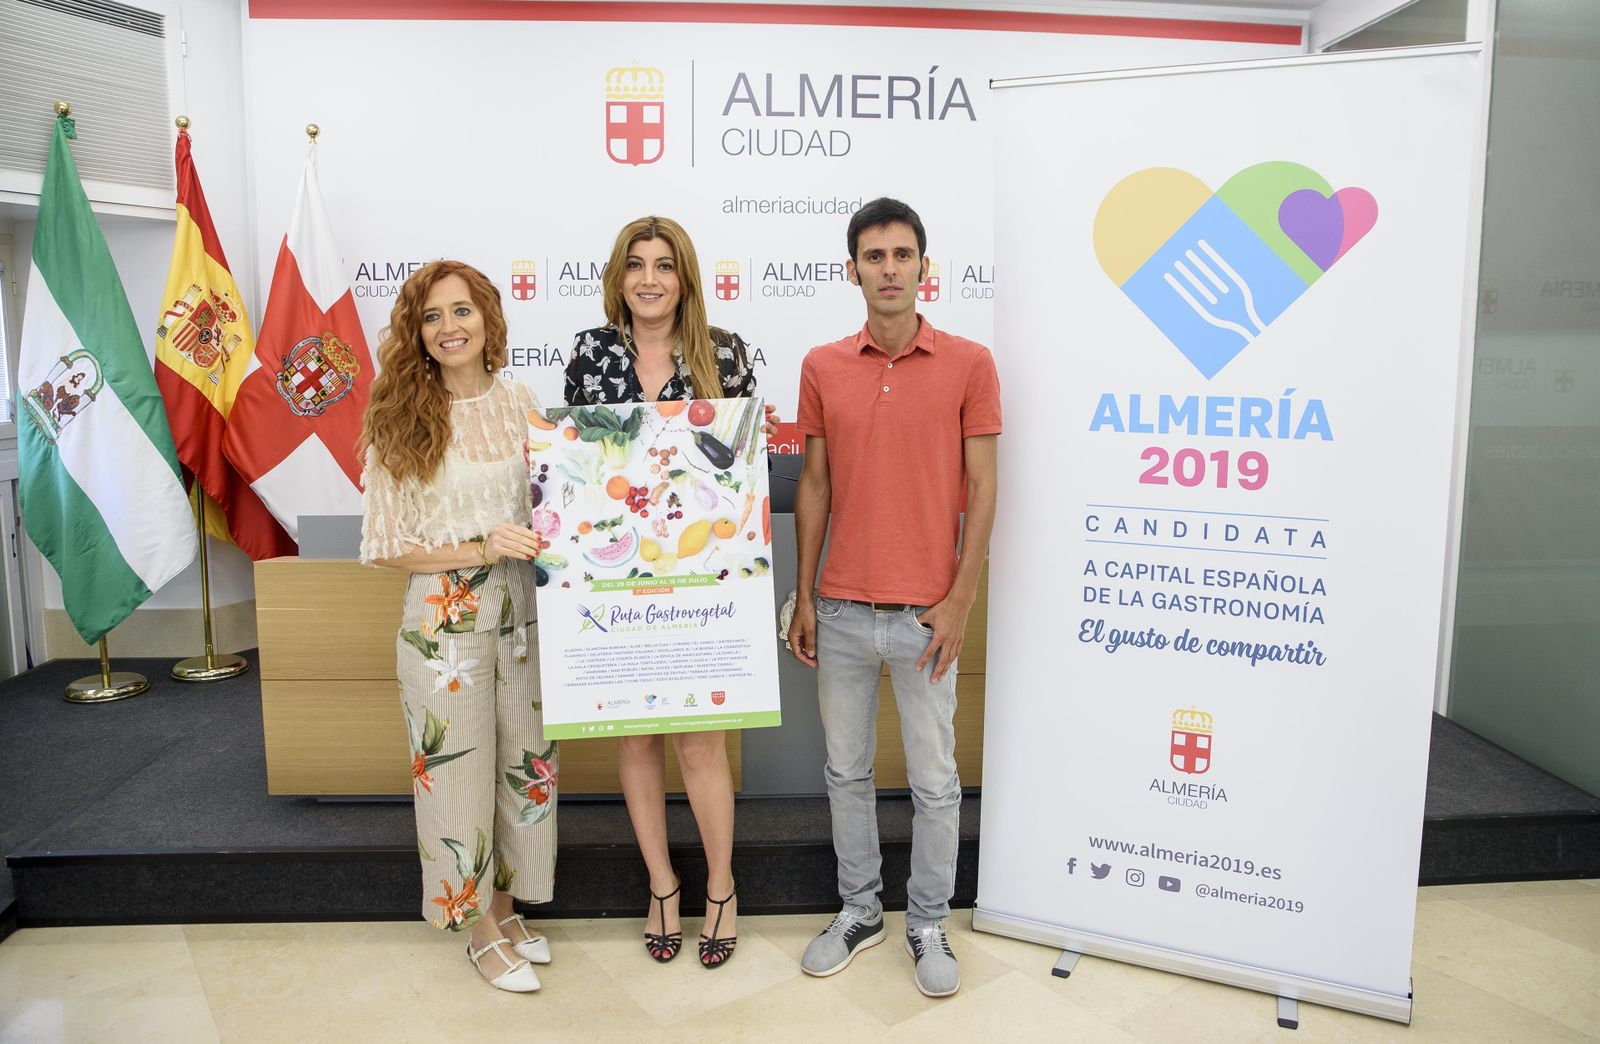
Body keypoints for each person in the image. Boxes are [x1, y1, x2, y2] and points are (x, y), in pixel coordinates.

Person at [789, 198, 1001, 998]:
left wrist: (959, 600)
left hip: (926, 617)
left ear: (922, 266)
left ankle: (927, 920)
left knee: (936, 781)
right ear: (852, 269)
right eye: (873, 256)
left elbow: (982, 490)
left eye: (901, 255)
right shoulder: (821, 365)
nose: (888, 269)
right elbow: (814, 485)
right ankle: (859, 910)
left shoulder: (969, 363)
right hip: (839, 608)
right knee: (844, 772)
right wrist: (804, 596)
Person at [564, 215, 773, 969]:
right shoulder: (591, 353)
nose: (649, 279)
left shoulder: (726, 353)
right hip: (616, 578)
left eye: (664, 265)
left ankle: (720, 886)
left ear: (685, 277)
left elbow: (741, 471)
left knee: (699, 738)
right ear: (618, 277)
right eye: (635, 265)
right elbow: (576, 468)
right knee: (637, 737)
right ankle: (661, 883)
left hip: (700, 576)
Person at [360, 260, 557, 994]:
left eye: (461, 311)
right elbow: (386, 547)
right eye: (432, 316)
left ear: (488, 319)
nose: (449, 327)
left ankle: (505, 912)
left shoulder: (521, 401)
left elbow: (553, 504)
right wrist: (480, 548)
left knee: (521, 769)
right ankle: (477, 934)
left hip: (523, 618)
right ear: (417, 332)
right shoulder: (399, 416)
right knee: (460, 780)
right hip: (445, 628)